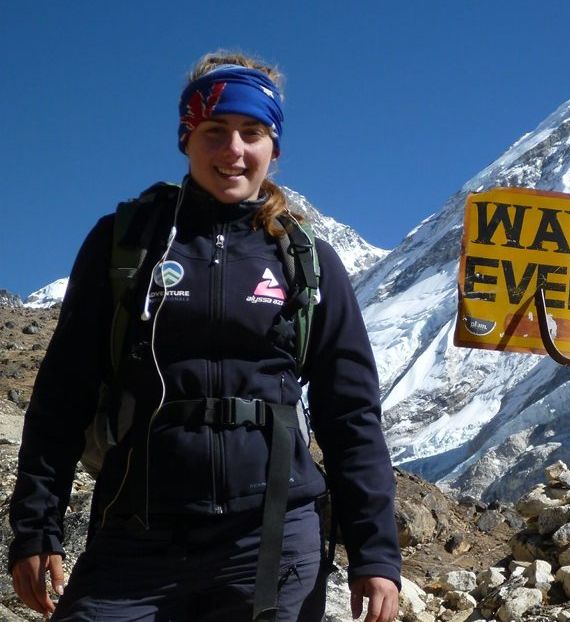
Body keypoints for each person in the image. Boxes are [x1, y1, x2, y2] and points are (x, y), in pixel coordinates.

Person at [7, 51, 401, 622]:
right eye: (215, 131)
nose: (233, 150)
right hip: (136, 535)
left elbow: (351, 414)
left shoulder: (306, 260)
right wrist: (36, 526)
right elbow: (62, 395)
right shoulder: (126, 243)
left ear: (275, 147)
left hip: (271, 538)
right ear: (186, 138)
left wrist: (376, 554)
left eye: (252, 132)